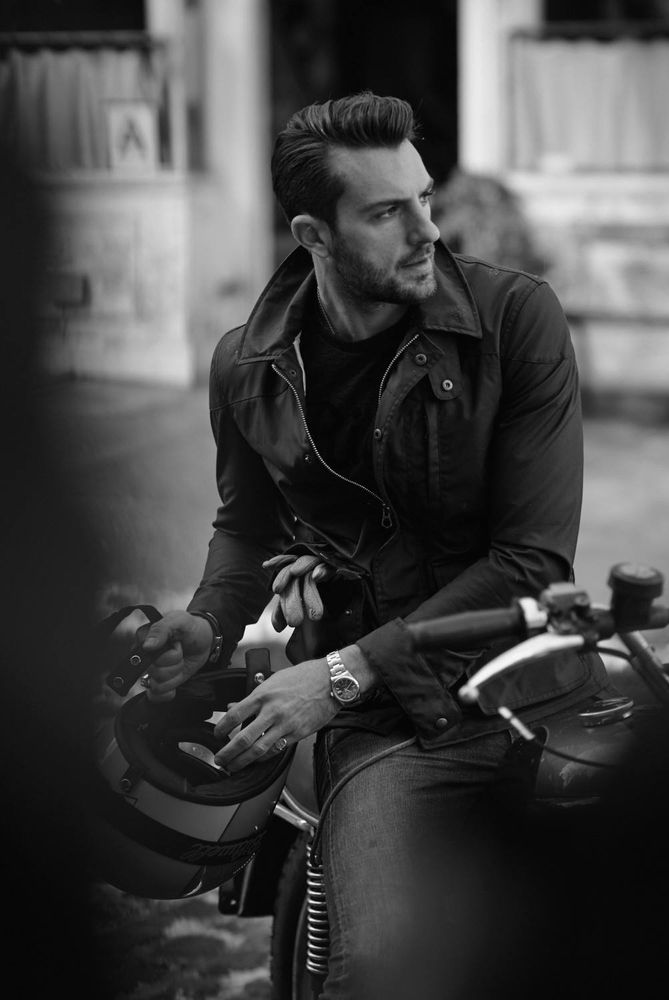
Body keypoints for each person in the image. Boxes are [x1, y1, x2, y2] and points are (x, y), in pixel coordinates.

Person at [139, 91, 613, 998]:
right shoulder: (246, 367)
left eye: (425, 198)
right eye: (389, 212)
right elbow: (246, 526)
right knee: (386, 977)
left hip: (530, 679)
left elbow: (533, 562)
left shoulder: (515, 320)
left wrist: (340, 670)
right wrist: (205, 626)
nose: (428, 229)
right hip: (389, 728)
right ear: (314, 236)